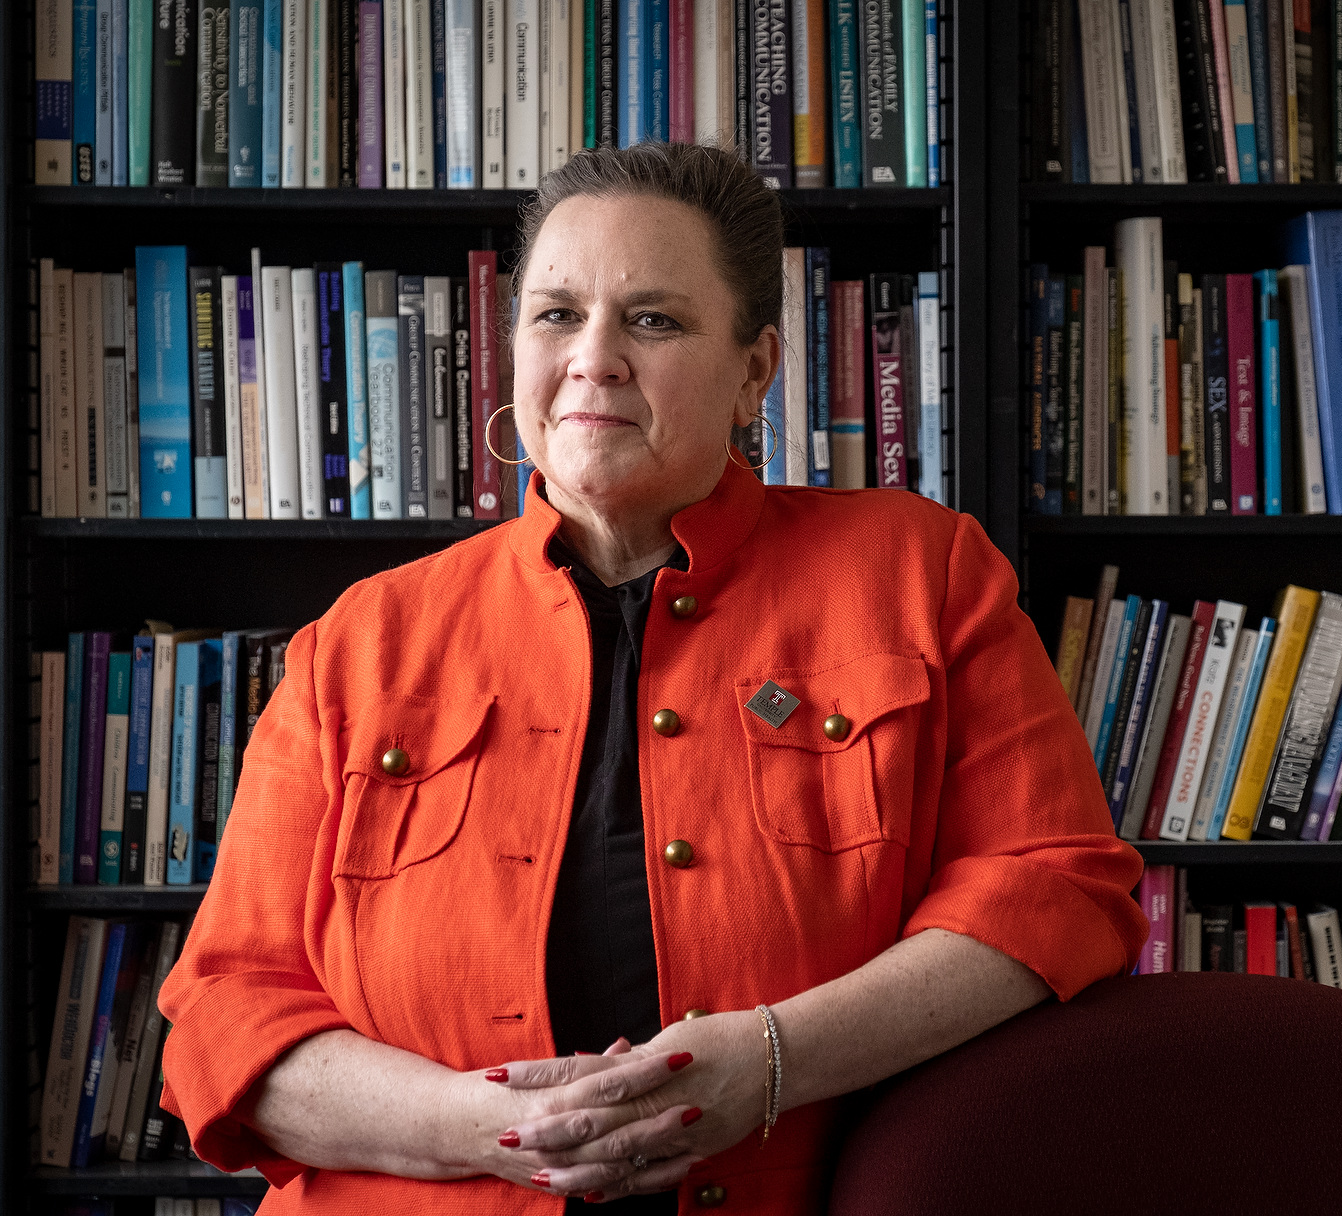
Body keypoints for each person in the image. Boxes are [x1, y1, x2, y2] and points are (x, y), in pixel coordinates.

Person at [156, 142, 1146, 1214]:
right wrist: (481, 1131)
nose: (595, 358)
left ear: (754, 369)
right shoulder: (362, 638)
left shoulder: (923, 572)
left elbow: (1055, 886)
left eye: (655, 319)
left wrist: (771, 1063)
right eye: (556, 314)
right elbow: (226, 1013)